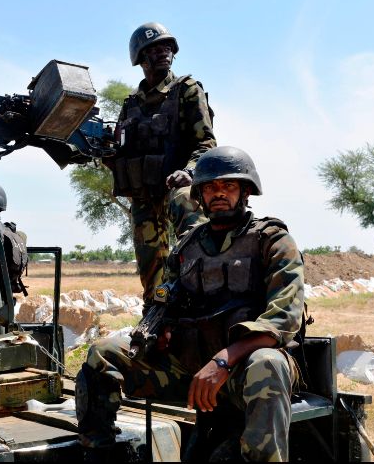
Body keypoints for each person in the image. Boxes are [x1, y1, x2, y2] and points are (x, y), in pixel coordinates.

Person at [76, 146, 305, 461]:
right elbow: (165, 302)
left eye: (228, 186)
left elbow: (283, 320)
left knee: (269, 363)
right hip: (190, 369)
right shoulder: (187, 245)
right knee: (104, 353)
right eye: (210, 187)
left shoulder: (273, 241)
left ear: (246, 191)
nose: (219, 193)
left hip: (242, 370)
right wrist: (158, 332)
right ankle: (99, 452)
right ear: (200, 194)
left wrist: (222, 361)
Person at [108, 21, 217, 306]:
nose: (163, 53)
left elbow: (205, 143)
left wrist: (189, 171)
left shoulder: (187, 90)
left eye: (167, 47)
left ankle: (207, 297)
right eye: (154, 49)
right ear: (141, 58)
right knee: (150, 268)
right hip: (144, 196)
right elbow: (118, 151)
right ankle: (156, 312)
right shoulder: (131, 103)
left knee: (192, 224)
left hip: (177, 186)